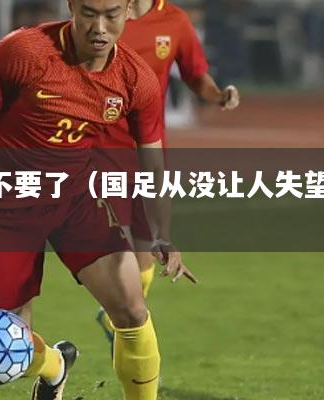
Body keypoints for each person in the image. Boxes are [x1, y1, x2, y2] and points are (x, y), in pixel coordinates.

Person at [0, 1, 195, 399]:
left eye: (111, 14)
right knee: (6, 343)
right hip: (3, 206)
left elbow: (152, 160)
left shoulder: (134, 78)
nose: (99, 27)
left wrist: (162, 233)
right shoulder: (25, 52)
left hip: (73, 198)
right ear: (71, 7)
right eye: (89, 13)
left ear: (128, 11)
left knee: (132, 308)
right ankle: (54, 366)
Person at [95, 0, 239, 347]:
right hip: (101, 142)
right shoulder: (105, 15)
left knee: (146, 249)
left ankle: (118, 316)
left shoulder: (175, 21)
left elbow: (194, 74)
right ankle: (122, 317)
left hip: (148, 145)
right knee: (116, 238)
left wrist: (218, 95)